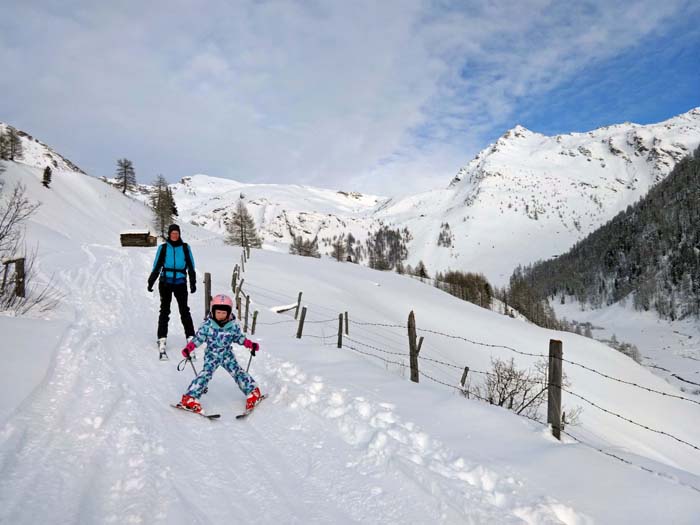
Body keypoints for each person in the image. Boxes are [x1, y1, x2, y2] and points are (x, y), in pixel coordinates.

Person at [179, 294, 262, 413]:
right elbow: (198, 338)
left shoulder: (233, 326)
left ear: (228, 313)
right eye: (218, 312)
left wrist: (250, 344)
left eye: (224, 313)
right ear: (213, 311)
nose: (221, 315)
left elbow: (239, 338)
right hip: (211, 355)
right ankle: (189, 398)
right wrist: (189, 347)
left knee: (238, 372)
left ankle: (253, 392)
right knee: (205, 374)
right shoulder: (207, 326)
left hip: (227, 355)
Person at [147, 224, 196, 358]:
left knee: (184, 310)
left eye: (177, 233)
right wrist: (151, 281)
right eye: (172, 233)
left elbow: (191, 266)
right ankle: (162, 337)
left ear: (179, 234)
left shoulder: (185, 248)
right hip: (165, 283)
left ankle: (190, 336)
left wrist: (193, 282)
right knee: (165, 310)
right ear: (169, 234)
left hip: (180, 282)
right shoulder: (163, 248)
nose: (175, 235)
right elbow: (157, 265)